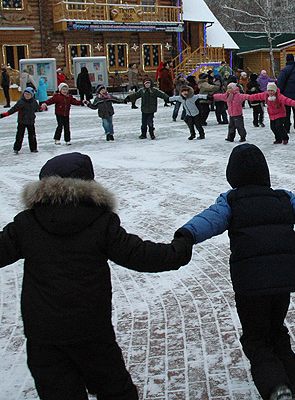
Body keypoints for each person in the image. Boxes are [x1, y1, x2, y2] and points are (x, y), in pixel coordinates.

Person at [0, 152, 193, 400]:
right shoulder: (100, 221)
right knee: (114, 389)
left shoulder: (26, 223)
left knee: (58, 392)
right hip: (90, 327)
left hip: (43, 332)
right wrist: (179, 249)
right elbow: (139, 255)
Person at [175, 143, 295, 400]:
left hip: (250, 285)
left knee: (256, 337)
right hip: (283, 280)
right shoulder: (283, 199)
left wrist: (186, 235)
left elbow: (208, 220)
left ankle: (276, 387)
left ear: (232, 175)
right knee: (276, 328)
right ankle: (289, 383)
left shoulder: (231, 202)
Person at [0, 86, 41, 154]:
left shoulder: (34, 102)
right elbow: (14, 109)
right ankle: (16, 148)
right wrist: (5, 114)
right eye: (25, 94)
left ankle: (33, 148)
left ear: (32, 95)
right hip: (22, 121)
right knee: (19, 135)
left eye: (29, 94)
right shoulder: (21, 102)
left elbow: (37, 109)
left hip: (31, 121)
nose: (27, 96)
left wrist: (41, 108)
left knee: (32, 135)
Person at [277, 54, 295, 133]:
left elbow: (280, 83)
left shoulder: (285, 70)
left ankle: (287, 128)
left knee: (286, 112)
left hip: (286, 95)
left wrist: (280, 93)